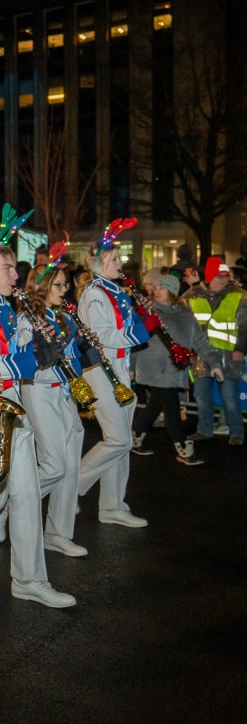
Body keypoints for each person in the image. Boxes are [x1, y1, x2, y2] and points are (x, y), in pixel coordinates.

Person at [0, 226, 75, 608]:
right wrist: (30, 357)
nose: (15, 274)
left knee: (18, 496)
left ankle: (28, 579)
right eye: (6, 268)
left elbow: (12, 350)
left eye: (12, 267)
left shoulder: (3, 303)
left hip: (12, 406)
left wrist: (36, 341)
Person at [76, 219, 151, 527]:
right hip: (100, 371)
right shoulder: (95, 293)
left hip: (120, 369)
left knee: (120, 444)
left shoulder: (114, 290)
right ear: (99, 264)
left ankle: (112, 506)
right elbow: (103, 336)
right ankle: (71, 484)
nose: (121, 264)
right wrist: (142, 331)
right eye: (115, 259)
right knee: (119, 440)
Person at [19, 252, 89, 557]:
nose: (65, 290)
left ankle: (58, 532)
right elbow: (26, 359)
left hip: (65, 390)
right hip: (41, 390)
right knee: (54, 465)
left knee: (71, 462)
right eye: (59, 286)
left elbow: (73, 355)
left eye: (64, 286)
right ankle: (14, 502)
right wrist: (40, 342)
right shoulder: (27, 318)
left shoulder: (62, 316)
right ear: (43, 287)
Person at [133, 271, 220, 465]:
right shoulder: (146, 312)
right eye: (155, 286)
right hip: (153, 369)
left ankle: (136, 437)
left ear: (173, 290)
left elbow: (200, 341)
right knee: (171, 407)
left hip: (175, 368)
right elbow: (134, 340)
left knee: (155, 405)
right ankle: (183, 449)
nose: (157, 290)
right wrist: (130, 366)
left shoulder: (185, 314)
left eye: (162, 287)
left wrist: (215, 363)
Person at [181, 256, 246, 445]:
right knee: (202, 396)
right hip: (202, 355)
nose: (224, 279)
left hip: (228, 355)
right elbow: (182, 322)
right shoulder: (191, 296)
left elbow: (245, 326)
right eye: (219, 275)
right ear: (209, 276)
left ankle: (236, 433)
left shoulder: (239, 296)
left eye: (225, 276)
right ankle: (204, 430)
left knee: (230, 398)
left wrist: (240, 349)